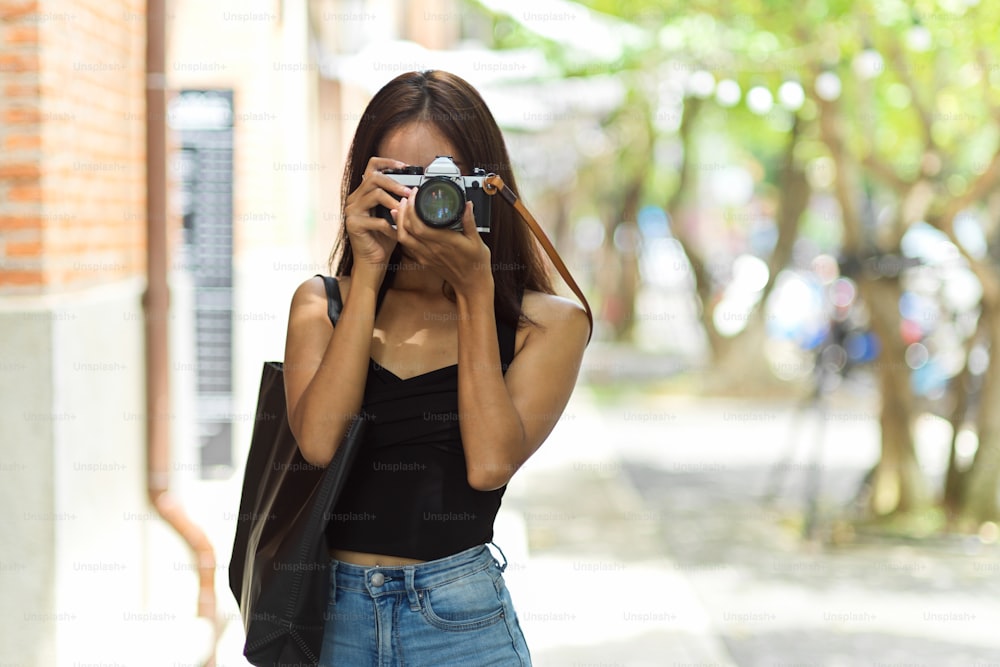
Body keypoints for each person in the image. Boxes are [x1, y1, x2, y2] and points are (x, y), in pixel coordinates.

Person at [283, 70, 589, 666]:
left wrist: (476, 293)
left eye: (440, 181)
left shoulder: (549, 324)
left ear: (486, 187)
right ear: (361, 182)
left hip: (460, 616)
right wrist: (368, 273)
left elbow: (490, 465)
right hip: (332, 615)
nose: (418, 203)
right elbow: (319, 442)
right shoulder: (322, 305)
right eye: (399, 180)